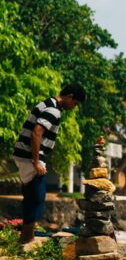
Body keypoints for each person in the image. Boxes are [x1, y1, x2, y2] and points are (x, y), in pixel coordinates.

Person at [12, 85, 86, 245]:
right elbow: (36, 133)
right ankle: (26, 239)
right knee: (37, 198)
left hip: (23, 154)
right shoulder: (54, 110)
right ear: (69, 96)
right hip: (30, 156)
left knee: (31, 196)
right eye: (75, 103)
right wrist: (36, 161)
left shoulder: (47, 103)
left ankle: (26, 237)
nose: (74, 107)